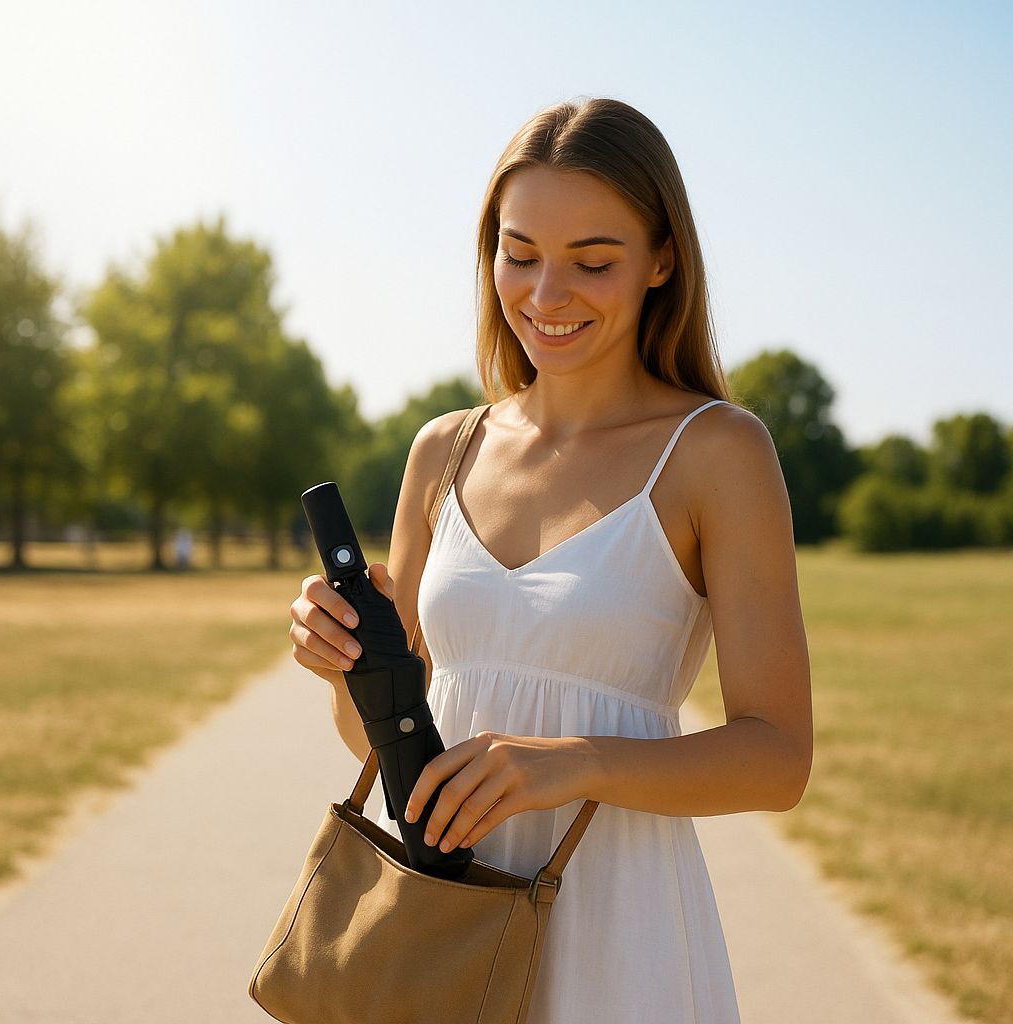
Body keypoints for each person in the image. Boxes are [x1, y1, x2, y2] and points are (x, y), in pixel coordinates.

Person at [290, 98, 812, 1024]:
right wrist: (344, 670)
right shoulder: (441, 451)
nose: (544, 294)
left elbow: (777, 760)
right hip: (437, 925)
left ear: (662, 261)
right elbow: (389, 745)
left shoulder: (716, 452)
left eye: (593, 262)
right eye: (519, 254)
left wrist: (569, 761)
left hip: (618, 930)